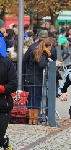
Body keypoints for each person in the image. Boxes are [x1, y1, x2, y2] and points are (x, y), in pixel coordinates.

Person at [0, 20, 17, 149]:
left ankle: (4, 141)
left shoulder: (6, 63)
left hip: (2, 105)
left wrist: (2, 89)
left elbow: (14, 84)